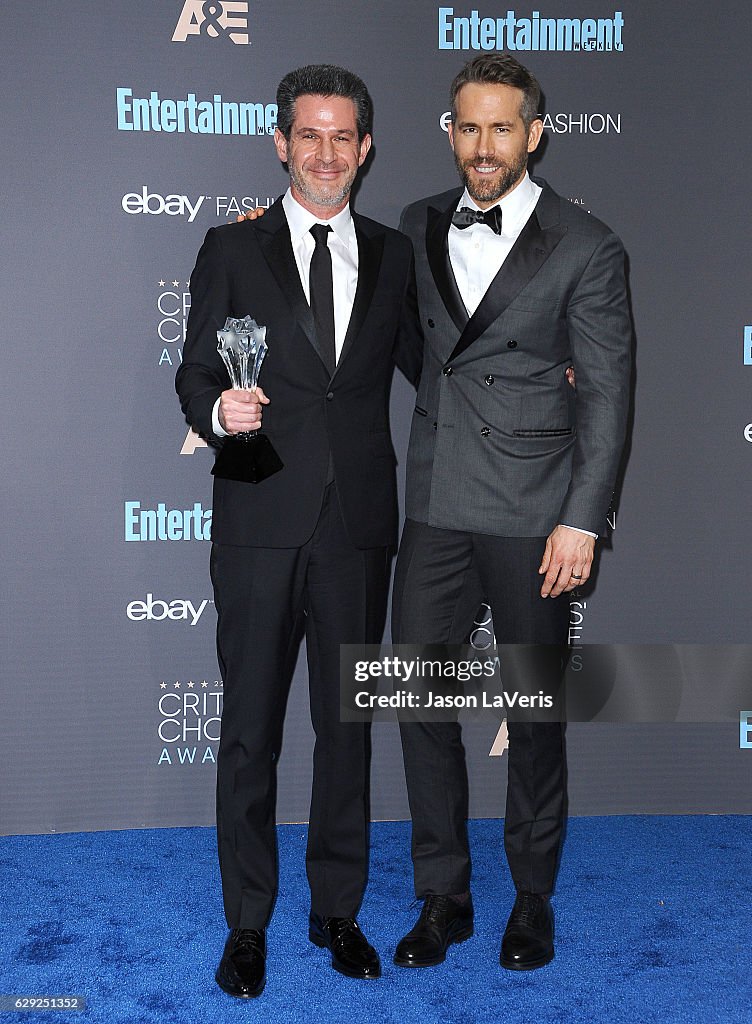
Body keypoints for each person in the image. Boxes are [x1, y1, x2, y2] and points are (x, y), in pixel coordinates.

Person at [176, 64, 421, 998]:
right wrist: (220, 410)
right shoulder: (232, 249)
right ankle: (248, 923)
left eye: (342, 137)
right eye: (307, 135)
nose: (325, 154)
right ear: (281, 143)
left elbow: (434, 371)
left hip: (357, 526)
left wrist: (534, 380)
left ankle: (337, 910)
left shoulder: (397, 256)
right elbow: (196, 372)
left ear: (365, 149)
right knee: (248, 732)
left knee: (347, 729)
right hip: (258, 516)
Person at [390, 54, 631, 972]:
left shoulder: (586, 243)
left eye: (500, 128)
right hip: (439, 502)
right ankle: (442, 896)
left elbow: (607, 396)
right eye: (466, 127)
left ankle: (531, 897)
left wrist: (583, 518)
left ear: (534, 133)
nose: (481, 146)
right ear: (450, 132)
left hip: (538, 511)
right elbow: (411, 344)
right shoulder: (415, 223)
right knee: (418, 700)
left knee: (532, 710)